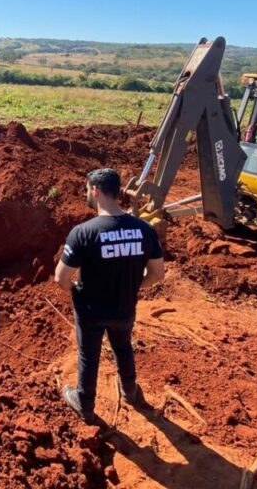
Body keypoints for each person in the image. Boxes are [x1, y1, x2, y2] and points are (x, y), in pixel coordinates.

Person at [55, 168, 165, 424]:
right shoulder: (145, 229)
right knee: (123, 346)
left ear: (95, 190)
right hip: (124, 307)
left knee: (88, 354)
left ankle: (85, 402)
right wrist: (134, 285)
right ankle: (130, 391)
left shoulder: (83, 232)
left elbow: (61, 278)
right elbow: (158, 274)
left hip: (91, 310)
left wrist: (76, 293)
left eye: (86, 189)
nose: (86, 193)